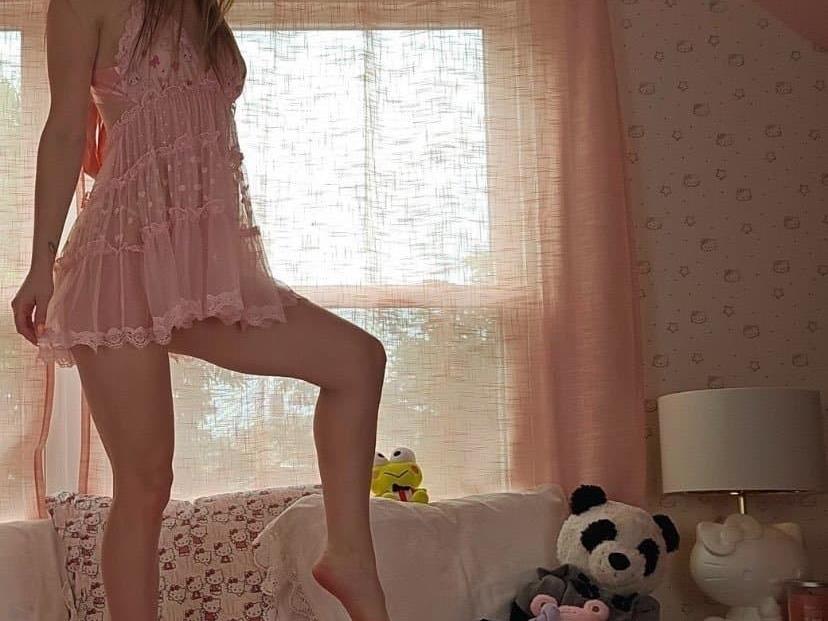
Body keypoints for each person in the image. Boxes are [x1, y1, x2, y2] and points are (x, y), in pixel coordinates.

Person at [10, 1, 391, 620]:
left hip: (206, 270)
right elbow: (64, 130)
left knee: (357, 361)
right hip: (120, 263)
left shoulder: (203, 11)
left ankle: (349, 556)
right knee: (145, 483)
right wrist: (39, 263)